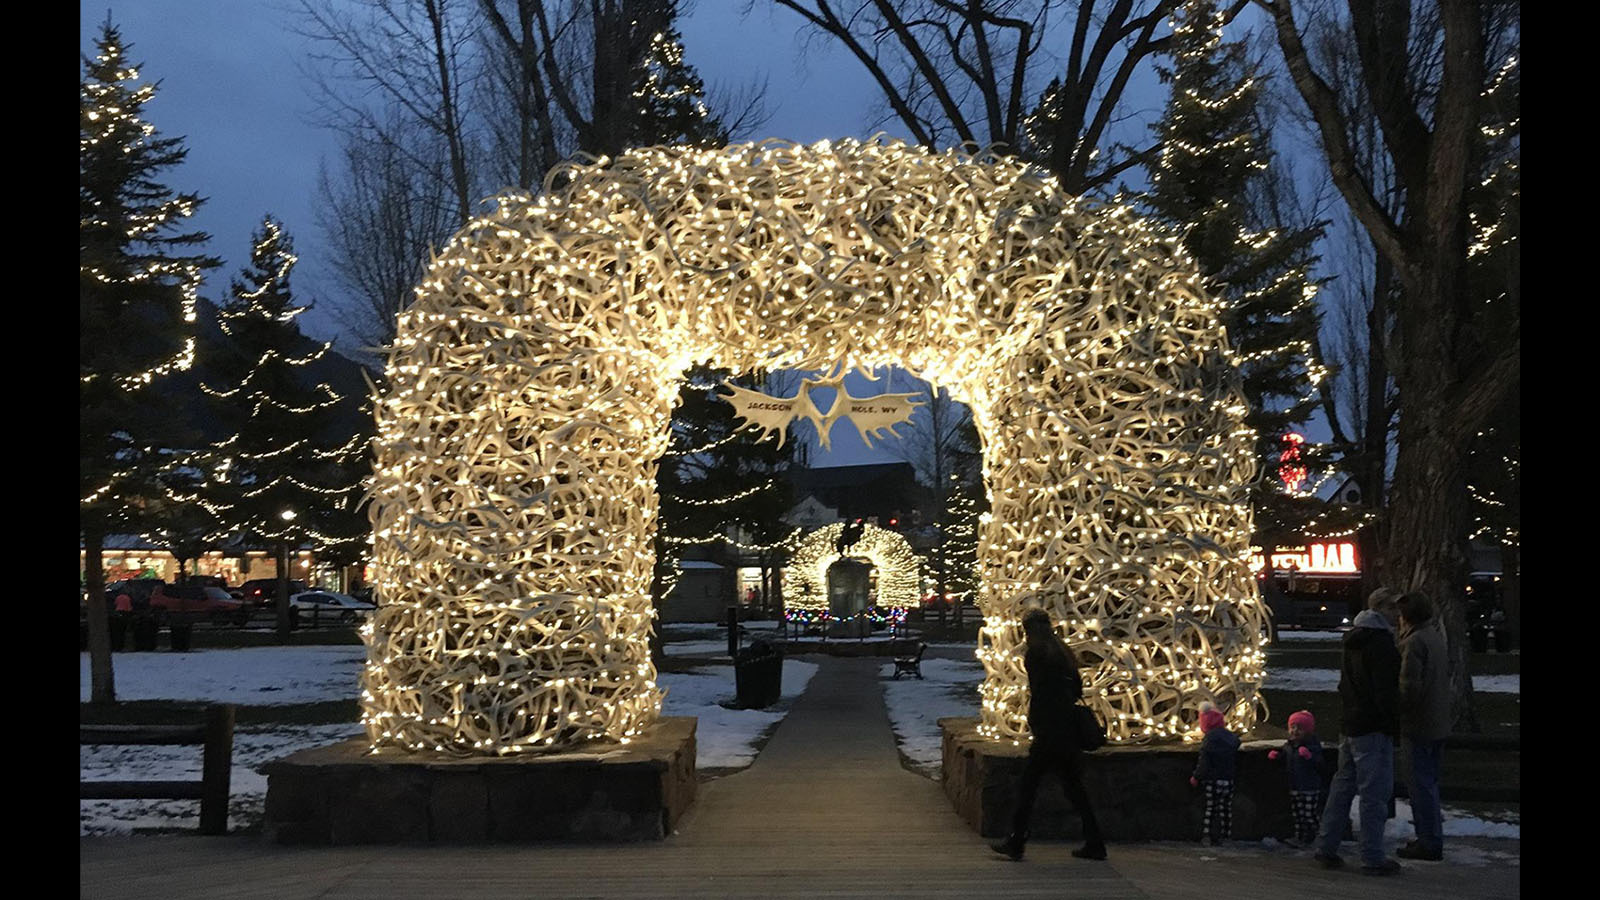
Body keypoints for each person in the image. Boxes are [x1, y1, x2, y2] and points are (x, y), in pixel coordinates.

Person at [989, 607, 1106, 862]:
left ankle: (1017, 841)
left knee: (1028, 787)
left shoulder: (1036, 654)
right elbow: (1077, 689)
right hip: (1067, 731)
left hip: (1049, 732)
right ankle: (1095, 842)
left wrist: (1038, 722)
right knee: (1074, 789)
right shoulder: (1063, 652)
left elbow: (1039, 693)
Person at [1313, 587, 1403, 875]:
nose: (1398, 615)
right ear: (1382, 610)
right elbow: (1385, 692)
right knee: (1374, 793)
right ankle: (1372, 855)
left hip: (1350, 722)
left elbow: (1346, 684)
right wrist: (1392, 723)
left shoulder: (1353, 640)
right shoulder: (1382, 645)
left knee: (1342, 788)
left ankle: (1326, 845)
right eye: (1394, 609)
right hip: (1372, 726)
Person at [1396, 591, 1450, 861]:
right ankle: (1431, 835)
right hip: (1438, 720)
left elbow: (1409, 688)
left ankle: (1428, 840)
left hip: (1419, 723)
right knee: (1430, 782)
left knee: (1419, 784)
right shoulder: (1435, 637)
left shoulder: (1414, 643)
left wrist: (1397, 713)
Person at [1268, 709, 1328, 846]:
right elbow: (1286, 758)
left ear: (1308, 731)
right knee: (1298, 814)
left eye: (1299, 728)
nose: (1295, 731)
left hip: (1309, 786)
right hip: (1294, 785)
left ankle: (1319, 837)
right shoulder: (1289, 745)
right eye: (1292, 727)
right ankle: (1300, 836)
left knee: (1309, 814)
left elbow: (1320, 764)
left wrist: (1309, 757)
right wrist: (1277, 756)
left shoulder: (1312, 745)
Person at [1189, 703, 1240, 845]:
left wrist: (1196, 776)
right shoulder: (1231, 739)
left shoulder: (1209, 741)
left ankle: (1207, 835)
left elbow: (1204, 762)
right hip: (1228, 779)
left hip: (1212, 780)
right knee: (1226, 808)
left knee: (1211, 808)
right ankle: (1226, 835)